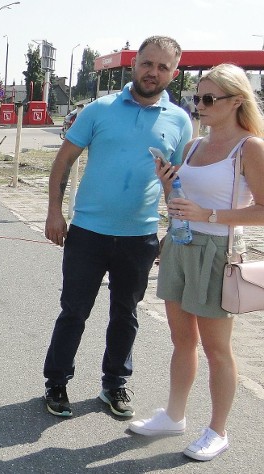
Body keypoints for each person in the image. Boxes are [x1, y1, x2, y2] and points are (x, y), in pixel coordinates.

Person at [43, 36, 192, 417]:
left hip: (139, 237)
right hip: (88, 233)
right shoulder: (99, 109)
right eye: (147, 63)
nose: (153, 72)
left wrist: (173, 232)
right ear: (135, 64)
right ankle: (56, 383)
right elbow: (63, 163)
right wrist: (54, 213)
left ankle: (115, 385)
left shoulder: (179, 121)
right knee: (74, 311)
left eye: (163, 67)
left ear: (173, 74)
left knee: (125, 314)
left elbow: (178, 183)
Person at [129, 64, 264, 461]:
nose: (199, 106)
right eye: (196, 98)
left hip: (216, 251)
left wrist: (209, 215)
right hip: (180, 246)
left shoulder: (250, 147)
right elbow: (183, 198)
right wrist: (169, 181)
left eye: (208, 99)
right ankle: (174, 414)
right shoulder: (193, 146)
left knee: (216, 348)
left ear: (236, 101)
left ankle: (217, 430)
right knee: (181, 339)